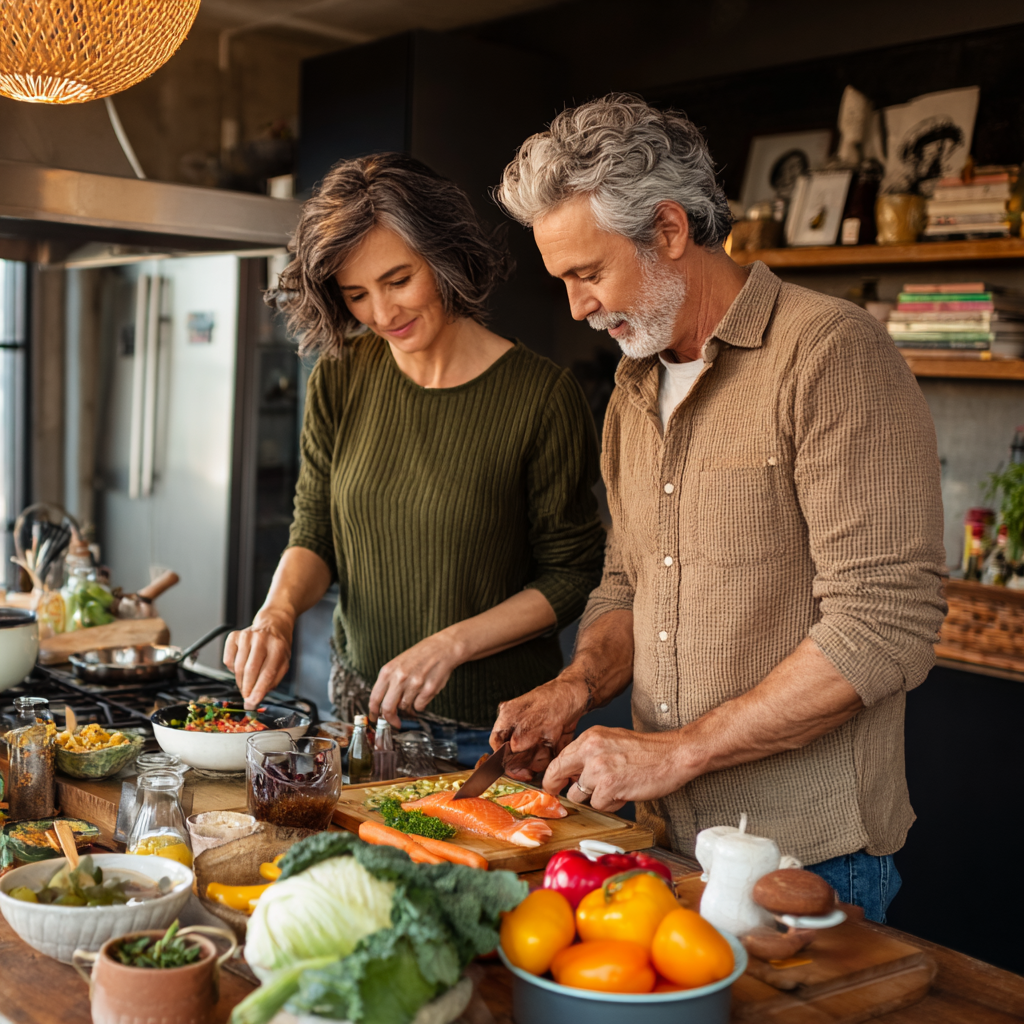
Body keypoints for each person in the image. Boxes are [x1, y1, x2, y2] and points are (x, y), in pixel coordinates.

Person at [492, 94, 946, 921]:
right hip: (659, 840)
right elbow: (628, 584)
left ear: (669, 231)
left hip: (807, 855)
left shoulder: (831, 355)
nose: (577, 308)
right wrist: (575, 684)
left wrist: (678, 753)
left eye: (588, 273)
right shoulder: (631, 389)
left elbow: (884, 622)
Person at [225, 153, 605, 766]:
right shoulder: (342, 376)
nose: (381, 313)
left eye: (398, 280)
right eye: (356, 294)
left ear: (444, 257)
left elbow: (572, 574)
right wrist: (278, 612)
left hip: (484, 735)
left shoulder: (541, 397)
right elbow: (315, 527)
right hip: (356, 715)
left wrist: (451, 645)